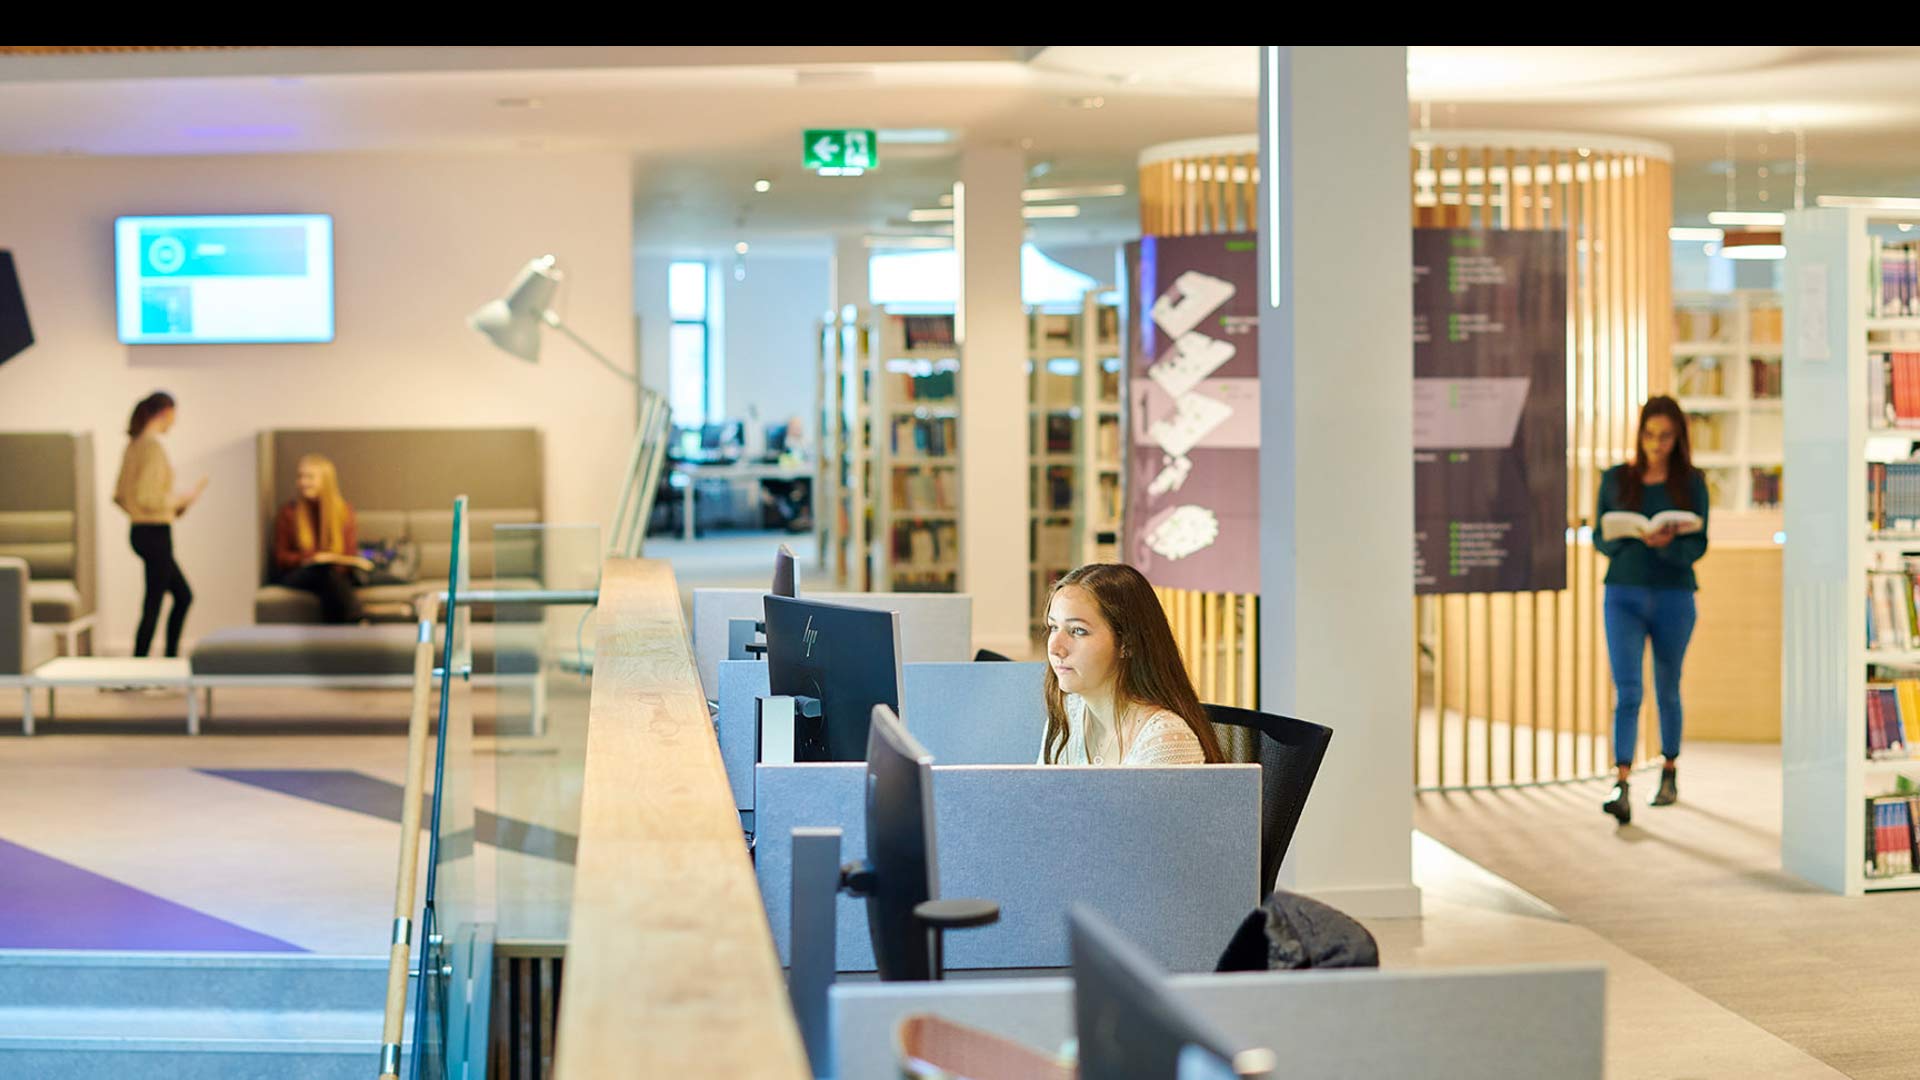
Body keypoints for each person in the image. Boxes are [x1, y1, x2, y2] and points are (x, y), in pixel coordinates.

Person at [1594, 395, 1710, 824]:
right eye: (1649, 434)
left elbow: (1699, 543)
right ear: (1639, 434)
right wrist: (1630, 538)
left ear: (1677, 437)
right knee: (1627, 691)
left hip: (1674, 596)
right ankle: (1621, 781)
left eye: (1665, 436)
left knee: (1667, 687)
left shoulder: (1691, 482)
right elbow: (1600, 539)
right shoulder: (1616, 479)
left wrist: (1668, 546)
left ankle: (1669, 770)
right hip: (1623, 593)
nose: (1656, 444)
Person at [1037, 563, 1225, 766]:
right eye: (1054, 627)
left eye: (1078, 631)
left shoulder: (1165, 739)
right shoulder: (1068, 714)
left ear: (1127, 643)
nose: (1055, 648)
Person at [113, 391, 205, 658]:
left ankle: (155, 663)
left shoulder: (135, 444)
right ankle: (151, 665)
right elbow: (147, 496)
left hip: (141, 531)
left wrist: (146, 512)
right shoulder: (152, 446)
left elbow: (120, 495)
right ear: (165, 413)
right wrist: (178, 500)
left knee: (178, 597)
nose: (174, 423)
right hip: (155, 533)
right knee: (159, 601)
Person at [272, 454, 370, 624]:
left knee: (329, 576)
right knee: (324, 573)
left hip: (333, 573)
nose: (303, 482)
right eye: (300, 476)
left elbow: (349, 553)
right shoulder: (289, 513)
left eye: (309, 477)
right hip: (298, 574)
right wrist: (311, 558)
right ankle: (359, 621)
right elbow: (281, 558)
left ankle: (333, 636)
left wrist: (330, 560)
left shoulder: (343, 511)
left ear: (326, 480)